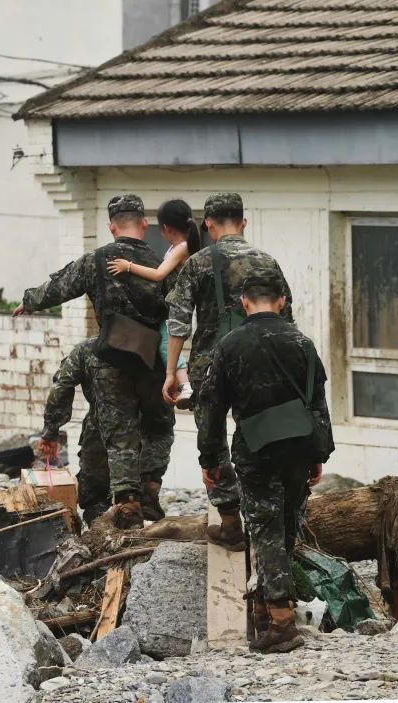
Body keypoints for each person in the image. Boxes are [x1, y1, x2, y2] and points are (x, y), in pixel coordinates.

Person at [14, 194, 174, 528]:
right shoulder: (162, 264)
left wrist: (28, 303)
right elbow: (179, 314)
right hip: (152, 361)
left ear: (112, 227)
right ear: (144, 224)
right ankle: (150, 489)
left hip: (111, 357)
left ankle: (128, 504)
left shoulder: (97, 260)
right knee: (158, 425)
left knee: (119, 432)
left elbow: (59, 288)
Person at [197, 270, 333, 653]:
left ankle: (281, 622)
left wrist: (211, 458)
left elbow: (212, 407)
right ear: (282, 301)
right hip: (299, 448)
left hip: (256, 450)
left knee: (265, 529)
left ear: (243, 302)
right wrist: (319, 453)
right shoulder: (302, 343)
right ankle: (266, 609)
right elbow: (318, 402)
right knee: (286, 525)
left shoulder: (230, 345)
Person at [163, 192, 294, 550]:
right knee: (260, 438)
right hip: (261, 368)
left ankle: (231, 522)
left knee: (213, 443)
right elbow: (287, 322)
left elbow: (177, 322)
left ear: (207, 223)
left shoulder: (199, 263)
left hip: (210, 369)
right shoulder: (268, 263)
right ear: (244, 222)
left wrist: (172, 371)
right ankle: (266, 520)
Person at [107, 199, 200, 408]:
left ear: (165, 228)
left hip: (176, 311)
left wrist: (128, 266)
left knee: (168, 347)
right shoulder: (176, 247)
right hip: (169, 310)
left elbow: (158, 275)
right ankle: (180, 384)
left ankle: (186, 386)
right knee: (163, 346)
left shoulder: (181, 248)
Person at [37, 338, 119, 525]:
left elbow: (62, 387)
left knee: (96, 501)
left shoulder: (87, 349)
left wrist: (51, 431)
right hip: (144, 431)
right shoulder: (154, 344)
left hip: (101, 429)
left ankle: (101, 541)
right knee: (144, 499)